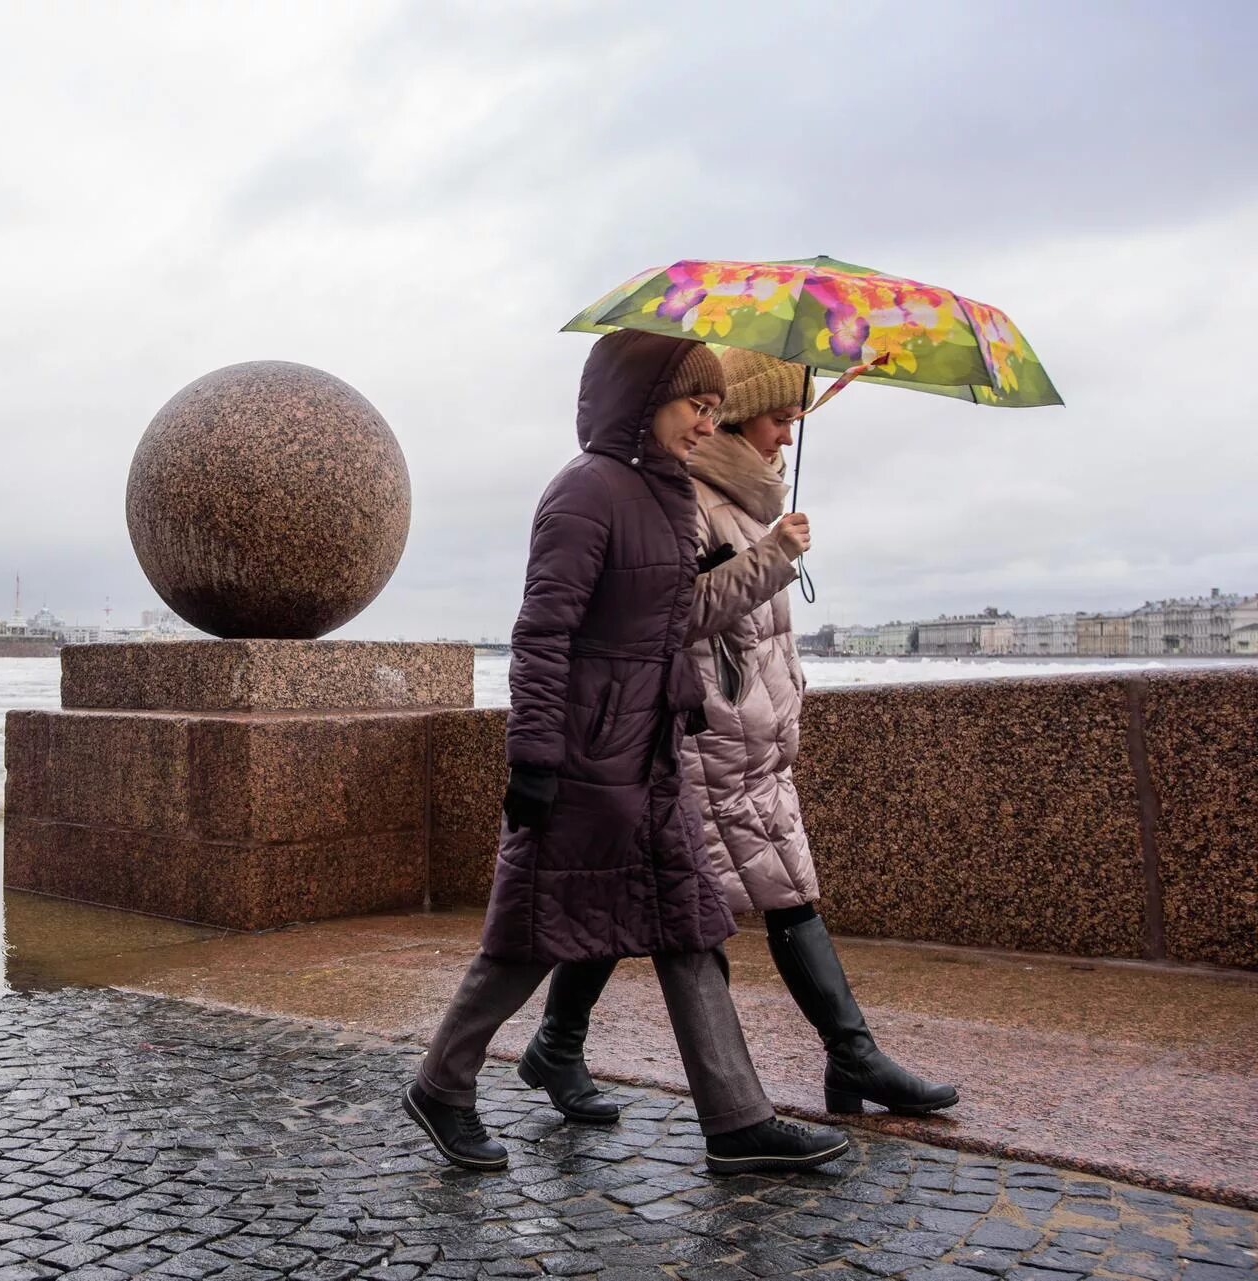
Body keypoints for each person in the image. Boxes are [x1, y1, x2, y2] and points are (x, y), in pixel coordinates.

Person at [403, 329, 849, 1175]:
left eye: (717, 409)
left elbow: (674, 619)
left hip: (652, 751)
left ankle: (736, 1118)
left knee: (689, 924)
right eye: (695, 406)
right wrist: (533, 757)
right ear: (643, 404)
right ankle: (441, 1082)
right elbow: (542, 634)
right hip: (583, 752)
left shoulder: (669, 494)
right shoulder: (584, 491)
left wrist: (763, 559)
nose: (705, 423)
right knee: (532, 931)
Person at [680, 347, 958, 1115]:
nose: (788, 437)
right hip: (711, 743)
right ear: (735, 419)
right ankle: (837, 1062)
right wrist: (775, 557)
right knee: (705, 915)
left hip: (754, 745)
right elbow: (683, 613)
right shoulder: (689, 497)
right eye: (779, 419)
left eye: (796, 419)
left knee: (767, 893)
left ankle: (850, 1058)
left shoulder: (741, 502)